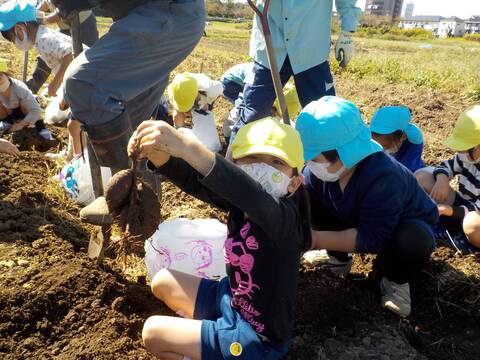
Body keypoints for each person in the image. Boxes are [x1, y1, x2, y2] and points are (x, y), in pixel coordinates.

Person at [132, 117, 311, 359]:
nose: (261, 167)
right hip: (232, 301)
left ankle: (211, 346)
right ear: (235, 164)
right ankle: (208, 337)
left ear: (295, 182)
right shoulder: (240, 202)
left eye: (276, 162)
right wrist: (157, 154)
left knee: (152, 333)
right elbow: (198, 183)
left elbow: (248, 192)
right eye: (252, 158)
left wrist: (186, 146)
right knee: (162, 280)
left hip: (256, 338)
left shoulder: (284, 219)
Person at [296, 96, 438, 317]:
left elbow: (373, 237)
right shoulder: (317, 173)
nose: (310, 164)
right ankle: (338, 259)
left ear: (343, 154)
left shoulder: (383, 177)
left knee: (411, 242)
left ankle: (395, 280)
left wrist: (314, 239)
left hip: (403, 226)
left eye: (315, 158)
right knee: (306, 197)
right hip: (357, 216)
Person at [50, 0, 205, 171]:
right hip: (154, 15)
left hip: (168, 11)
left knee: (81, 83)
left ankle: (122, 181)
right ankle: (134, 180)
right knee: (129, 121)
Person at [231, 0, 362, 138]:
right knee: (253, 115)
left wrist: (347, 32)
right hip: (270, 45)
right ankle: (233, 157)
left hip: (311, 49)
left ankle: (321, 158)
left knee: (325, 119)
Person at [416, 105, 480, 249]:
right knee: (423, 176)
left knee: (472, 224)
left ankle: (471, 244)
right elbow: (445, 166)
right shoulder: (468, 158)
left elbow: (476, 210)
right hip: (464, 205)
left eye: (464, 148)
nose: (459, 152)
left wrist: (448, 210)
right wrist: (442, 179)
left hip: (475, 216)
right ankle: (453, 228)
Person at [0, 0, 74, 97]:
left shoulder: (44, 39)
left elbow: (69, 54)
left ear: (19, 29)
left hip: (86, 77)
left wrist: (56, 82)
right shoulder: (41, 37)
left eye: (13, 40)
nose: (15, 44)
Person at [26, 0, 98, 94]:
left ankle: (84, 94)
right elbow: (47, 2)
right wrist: (33, 13)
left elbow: (64, 10)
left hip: (84, 25)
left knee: (85, 62)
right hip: (64, 26)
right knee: (49, 50)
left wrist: (42, 20)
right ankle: (31, 88)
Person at [0, 60, 54, 142]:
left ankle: (41, 128)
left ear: (7, 75)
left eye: (0, 77)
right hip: (11, 112)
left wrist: (21, 124)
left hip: (26, 111)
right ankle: (7, 122)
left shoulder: (18, 88)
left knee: (24, 103)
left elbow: (36, 110)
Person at [370, 106, 425, 173]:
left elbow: (406, 173)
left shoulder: (412, 146)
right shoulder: (367, 138)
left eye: (385, 148)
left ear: (403, 137)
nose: (381, 152)